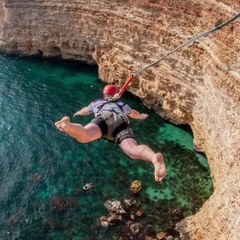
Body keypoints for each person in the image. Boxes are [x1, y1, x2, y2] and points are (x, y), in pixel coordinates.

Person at [55, 84, 166, 182]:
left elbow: (86, 110)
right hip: (121, 122)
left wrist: (78, 113)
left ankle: (68, 126)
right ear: (115, 94)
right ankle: (154, 159)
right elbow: (133, 113)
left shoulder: (98, 102)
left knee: (84, 135)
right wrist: (141, 116)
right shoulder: (122, 104)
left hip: (104, 117)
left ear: (104, 95)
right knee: (132, 150)